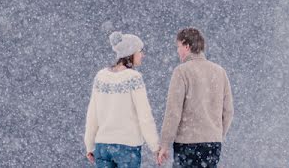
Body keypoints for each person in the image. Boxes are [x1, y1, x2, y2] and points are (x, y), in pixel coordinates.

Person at [157, 27, 234, 167]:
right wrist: (217, 134)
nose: (177, 51)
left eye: (178, 46)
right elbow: (228, 111)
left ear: (187, 46)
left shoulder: (182, 72)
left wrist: (164, 144)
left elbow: (173, 112)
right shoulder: (219, 72)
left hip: (187, 143)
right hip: (212, 144)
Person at [84, 31, 160, 167]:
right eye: (140, 51)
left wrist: (89, 145)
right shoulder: (134, 78)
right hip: (127, 147)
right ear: (130, 53)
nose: (143, 55)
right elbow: (145, 116)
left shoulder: (100, 76)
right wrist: (155, 146)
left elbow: (92, 115)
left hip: (103, 146)